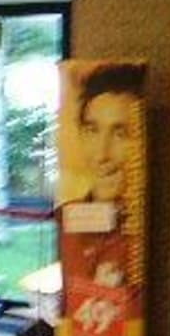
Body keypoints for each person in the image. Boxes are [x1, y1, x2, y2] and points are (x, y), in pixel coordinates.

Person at [59, 64, 145, 320]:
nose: (102, 154)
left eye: (120, 134)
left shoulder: (142, 235)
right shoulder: (67, 217)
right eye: (93, 130)